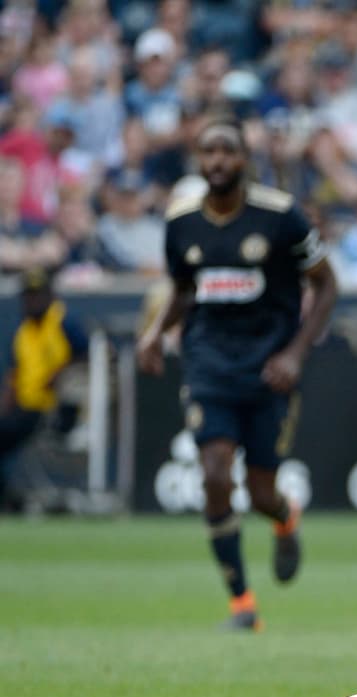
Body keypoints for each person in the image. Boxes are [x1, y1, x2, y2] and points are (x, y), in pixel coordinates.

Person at [137, 115, 338, 631]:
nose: (218, 160)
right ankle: (242, 604)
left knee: (261, 493)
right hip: (208, 364)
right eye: (209, 151)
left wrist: (295, 354)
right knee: (214, 476)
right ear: (198, 160)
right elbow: (184, 289)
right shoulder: (181, 221)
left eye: (227, 150)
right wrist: (156, 333)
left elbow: (326, 284)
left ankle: (284, 518)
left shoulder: (281, 216)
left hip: (270, 368)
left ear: (245, 159)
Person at [0, 267, 88, 509]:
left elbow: (88, 355)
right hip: (25, 406)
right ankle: (7, 496)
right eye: (28, 296)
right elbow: (14, 376)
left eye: (37, 295)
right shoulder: (22, 332)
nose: (32, 301)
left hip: (52, 407)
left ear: (49, 295)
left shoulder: (63, 321)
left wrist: (59, 374)